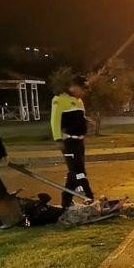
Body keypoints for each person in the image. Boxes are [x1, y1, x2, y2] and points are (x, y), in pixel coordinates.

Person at [51, 75, 94, 207]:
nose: (84, 93)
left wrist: (86, 121)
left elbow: (79, 118)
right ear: (74, 86)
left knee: (74, 172)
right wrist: (58, 139)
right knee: (79, 172)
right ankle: (89, 197)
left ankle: (66, 200)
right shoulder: (59, 99)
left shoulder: (79, 101)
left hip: (80, 142)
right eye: (83, 89)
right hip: (68, 142)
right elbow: (55, 120)